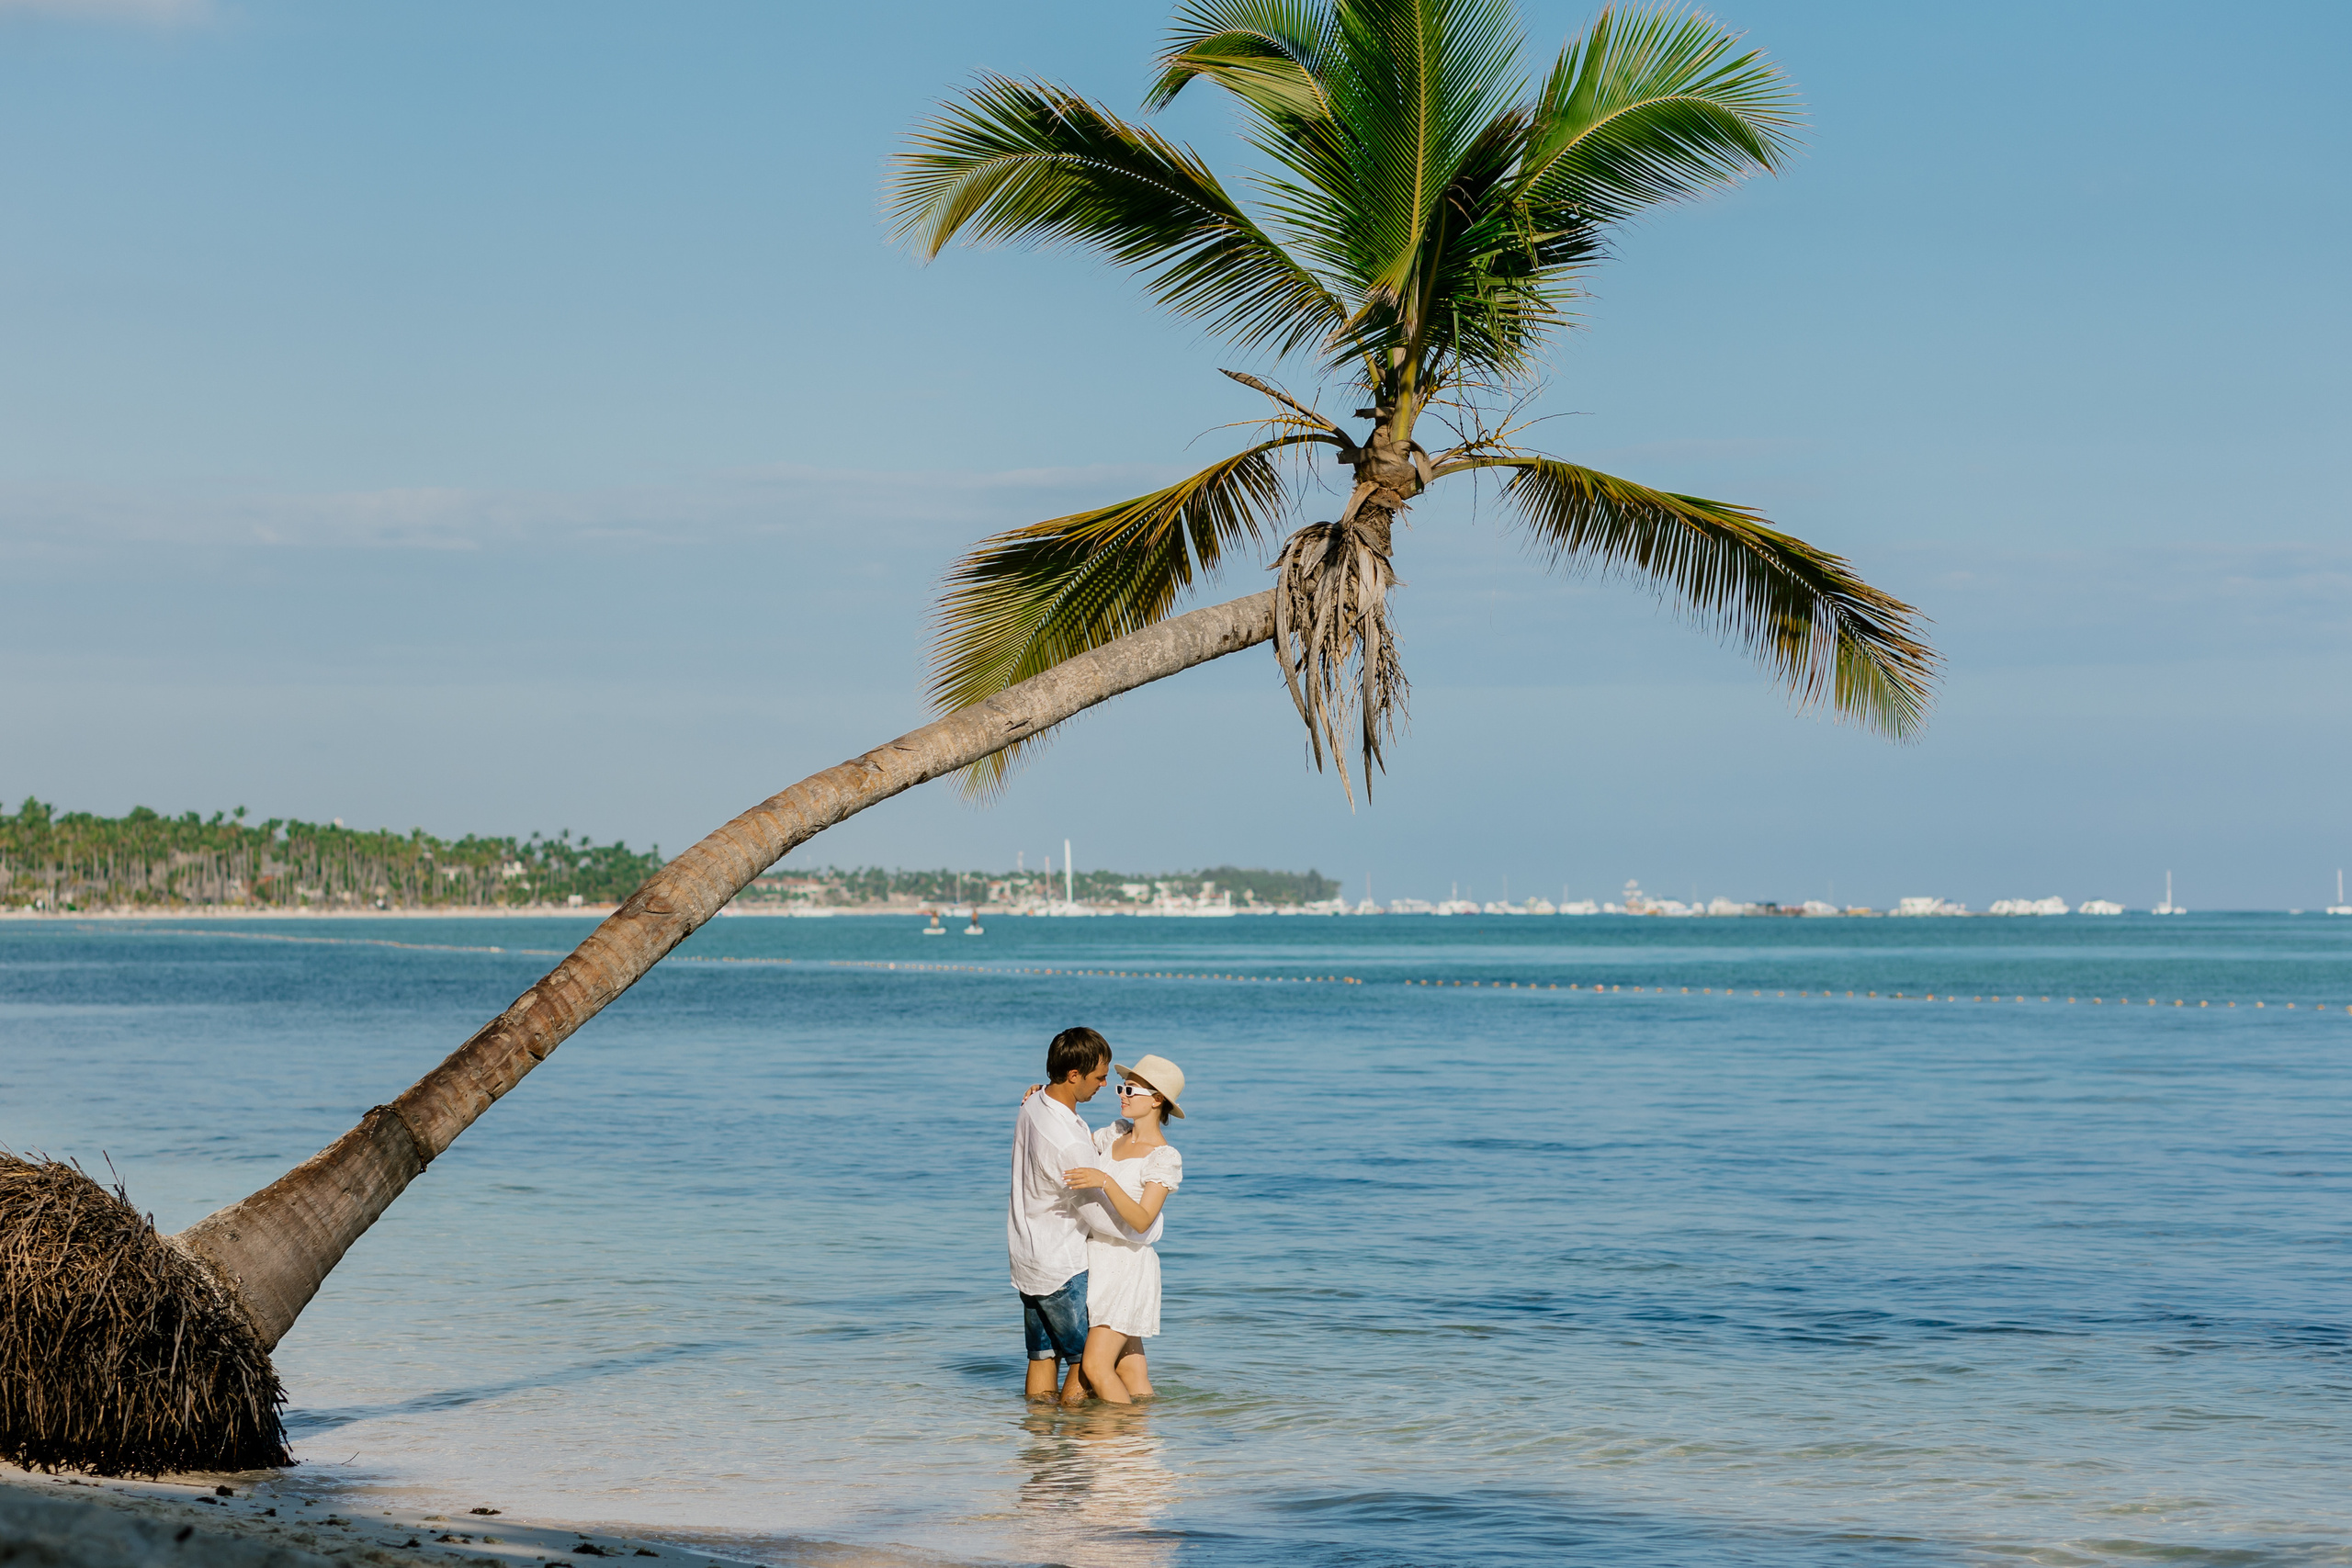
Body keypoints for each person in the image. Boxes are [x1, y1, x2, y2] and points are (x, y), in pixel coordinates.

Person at [1060, 1054, 1185, 1405]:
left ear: (1157, 1100)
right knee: (1131, 1372)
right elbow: (1066, 1132)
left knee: (1097, 1365)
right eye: (1121, 1088)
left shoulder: (1164, 1157)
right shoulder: (1113, 1134)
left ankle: (1119, 1445)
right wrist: (1043, 1097)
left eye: (1131, 1089)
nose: (1122, 1095)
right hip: (1097, 1257)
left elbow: (1143, 1218)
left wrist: (1105, 1181)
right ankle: (1141, 1453)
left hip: (1126, 1266)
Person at [1009, 1026, 1113, 1404]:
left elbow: (1040, 1096)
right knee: (1087, 1363)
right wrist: (1139, 1229)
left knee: (1041, 1356)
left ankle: (1040, 1448)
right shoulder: (1069, 1140)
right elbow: (1096, 1213)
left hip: (1026, 1256)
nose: (1103, 1085)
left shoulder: (1033, 1103)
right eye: (1100, 1077)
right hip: (1061, 1265)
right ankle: (1073, 1451)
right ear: (1074, 1075)